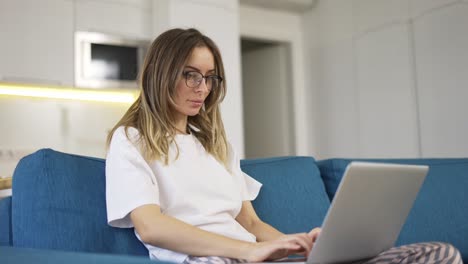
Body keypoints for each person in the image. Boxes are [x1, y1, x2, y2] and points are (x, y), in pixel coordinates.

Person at [105, 28, 462, 264]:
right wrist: (249, 251)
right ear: (161, 73)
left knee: (439, 254)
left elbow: (251, 222)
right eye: (191, 75)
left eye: (210, 78)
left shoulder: (217, 146)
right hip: (214, 260)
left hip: (252, 258)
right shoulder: (131, 140)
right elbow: (151, 226)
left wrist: (299, 245)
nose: (203, 88)